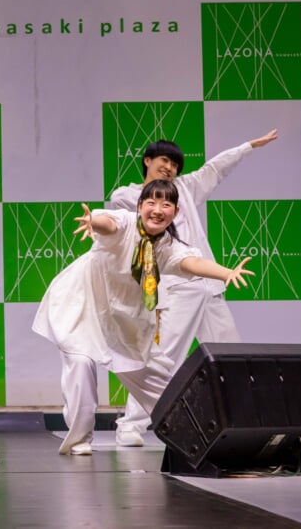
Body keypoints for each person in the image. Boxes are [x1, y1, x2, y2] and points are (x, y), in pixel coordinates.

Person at [32, 179, 254, 455]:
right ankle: (79, 439)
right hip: (83, 305)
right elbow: (108, 224)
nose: (158, 209)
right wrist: (93, 221)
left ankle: (199, 437)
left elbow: (191, 262)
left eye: (166, 204)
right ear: (139, 206)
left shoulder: (168, 246)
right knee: (80, 364)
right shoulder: (125, 223)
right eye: (151, 202)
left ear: (176, 212)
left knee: (156, 381)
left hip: (124, 318)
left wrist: (226, 272)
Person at [109, 130, 278, 446]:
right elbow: (129, 219)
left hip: (208, 286)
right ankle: (130, 425)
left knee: (230, 354)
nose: (169, 168)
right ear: (147, 160)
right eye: (164, 160)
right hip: (174, 287)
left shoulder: (185, 188)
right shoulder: (127, 195)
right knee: (164, 359)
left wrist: (247, 146)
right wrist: (154, 197)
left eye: (175, 164)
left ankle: (247, 421)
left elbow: (215, 168)